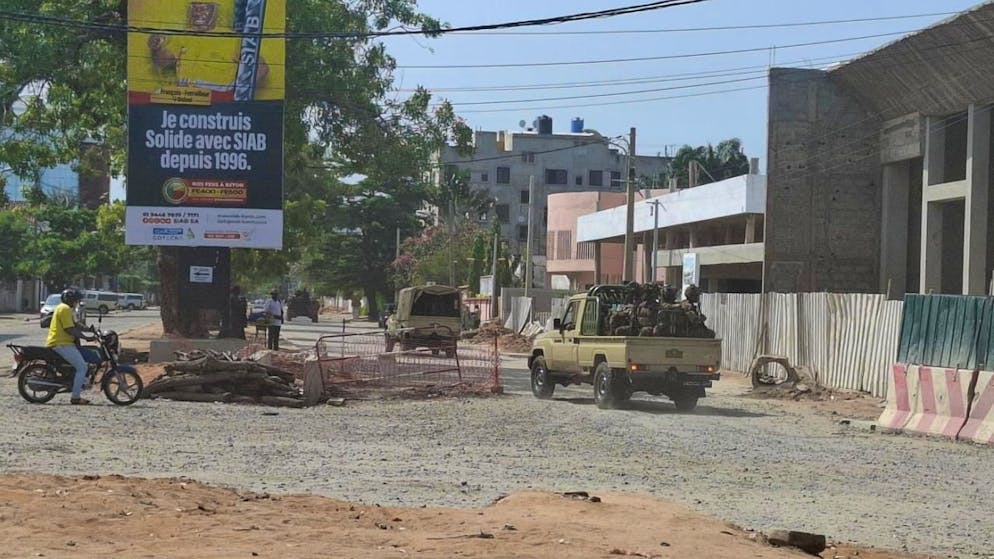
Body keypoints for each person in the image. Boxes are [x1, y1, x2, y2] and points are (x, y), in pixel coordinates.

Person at [46, 287, 95, 405]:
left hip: (64, 343)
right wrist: (86, 337)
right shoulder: (65, 309)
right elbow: (69, 329)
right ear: (71, 300)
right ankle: (75, 397)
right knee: (82, 368)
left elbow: (75, 324)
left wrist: (89, 329)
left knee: (80, 365)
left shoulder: (66, 309)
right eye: (77, 300)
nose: (78, 302)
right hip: (61, 343)